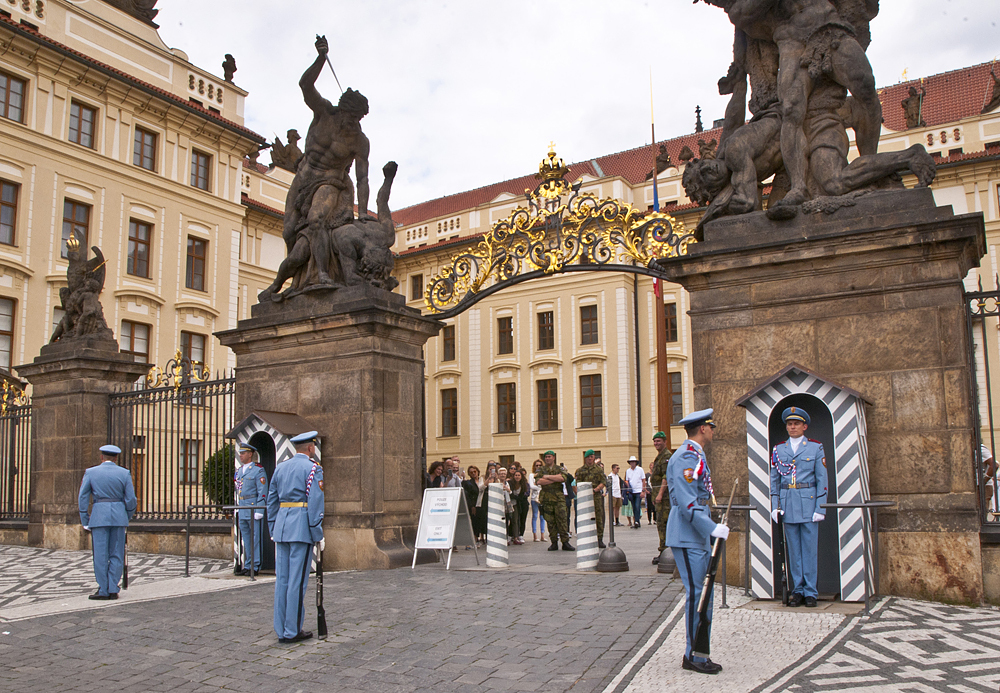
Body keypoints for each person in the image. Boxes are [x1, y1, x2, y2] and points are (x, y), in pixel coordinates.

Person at [262, 35, 372, 297]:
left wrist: (364, 213)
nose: (353, 121)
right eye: (350, 115)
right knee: (289, 232)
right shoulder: (323, 113)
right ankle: (298, 278)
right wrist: (321, 57)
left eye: (358, 118)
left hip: (331, 182)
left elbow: (363, 178)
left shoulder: (359, 140)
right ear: (341, 109)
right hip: (303, 179)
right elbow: (305, 84)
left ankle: (322, 274)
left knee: (316, 219)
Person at [666, 408, 728, 675]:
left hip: (695, 533)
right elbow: (688, 503)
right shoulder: (685, 458)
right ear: (702, 428)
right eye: (711, 427)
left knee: (704, 596)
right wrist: (712, 528)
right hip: (688, 533)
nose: (713, 431)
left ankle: (698, 654)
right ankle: (694, 656)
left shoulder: (696, 455)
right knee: (698, 596)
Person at [267, 430, 325, 644]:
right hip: (301, 528)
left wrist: (273, 527)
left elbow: (271, 501)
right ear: (310, 448)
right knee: (297, 581)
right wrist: (317, 532)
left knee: (282, 579)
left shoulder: (280, 468)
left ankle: (281, 628)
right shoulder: (313, 469)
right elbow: (315, 503)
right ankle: (292, 630)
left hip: (282, 527)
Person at [770, 406, 828, 608]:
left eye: (796, 424)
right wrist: (775, 505)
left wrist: (820, 507)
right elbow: (774, 480)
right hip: (788, 504)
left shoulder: (815, 448)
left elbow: (822, 479)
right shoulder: (779, 450)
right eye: (789, 424)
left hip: (809, 502)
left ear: (804, 426)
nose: (792, 427)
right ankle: (798, 591)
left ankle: (811, 591)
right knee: (793, 551)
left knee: (810, 551)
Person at [78, 444, 137, 600]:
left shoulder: (91, 472)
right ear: (116, 458)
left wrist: (85, 518)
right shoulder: (124, 473)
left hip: (99, 517)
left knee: (100, 554)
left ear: (101, 457)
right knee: (117, 553)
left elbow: (83, 497)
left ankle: (103, 589)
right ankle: (113, 588)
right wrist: (127, 514)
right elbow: (131, 499)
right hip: (119, 516)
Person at [235, 442, 268, 576]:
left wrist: (260, 510)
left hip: (253, 507)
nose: (241, 455)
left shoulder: (258, 470)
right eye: (240, 453)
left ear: (250, 454)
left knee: (255, 539)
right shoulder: (239, 471)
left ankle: (255, 566)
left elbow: (262, 490)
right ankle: (247, 564)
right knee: (246, 539)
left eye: (243, 453)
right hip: (242, 507)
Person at [535, 451, 574, 551]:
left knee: (562, 520)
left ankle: (565, 542)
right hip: (546, 498)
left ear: (553, 457)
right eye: (546, 457)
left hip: (559, 498)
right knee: (550, 521)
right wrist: (554, 479)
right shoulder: (541, 469)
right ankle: (554, 542)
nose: (547, 458)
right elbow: (538, 481)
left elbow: (563, 478)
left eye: (549, 457)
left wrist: (547, 477)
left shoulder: (559, 468)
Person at [574, 449, 607, 548]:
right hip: (584, 497)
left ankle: (599, 539)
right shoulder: (580, 470)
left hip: (596, 496)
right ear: (585, 458)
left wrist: (596, 489)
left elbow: (603, 482)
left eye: (591, 457)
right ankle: (586, 538)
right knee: (585, 517)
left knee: (598, 517)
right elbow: (577, 483)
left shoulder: (598, 470)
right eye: (588, 457)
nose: (590, 459)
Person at [649, 431, 672, 564]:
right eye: (655, 441)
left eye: (659, 441)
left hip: (665, 498)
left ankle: (665, 551)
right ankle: (664, 549)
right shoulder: (660, 456)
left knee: (664, 524)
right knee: (660, 523)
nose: (656, 443)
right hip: (659, 497)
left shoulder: (666, 457)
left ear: (665, 442)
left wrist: (660, 494)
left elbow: (666, 477)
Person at [463, 465, 486, 543]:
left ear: (477, 471)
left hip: (483, 503)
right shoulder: (468, 483)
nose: (473, 473)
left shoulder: (482, 480)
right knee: (475, 521)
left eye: (474, 471)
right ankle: (475, 538)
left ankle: (483, 537)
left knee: (483, 520)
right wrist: (472, 506)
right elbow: (468, 495)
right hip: (474, 504)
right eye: (471, 472)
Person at [509, 468, 530, 545]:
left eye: (519, 475)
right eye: (516, 475)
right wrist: (514, 495)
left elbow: (523, 496)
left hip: (521, 504)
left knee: (520, 520)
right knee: (512, 520)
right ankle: (510, 535)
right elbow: (510, 494)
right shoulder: (510, 483)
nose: (517, 476)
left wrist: (514, 495)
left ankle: (519, 535)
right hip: (511, 503)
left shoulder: (524, 485)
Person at [625, 456, 646, 528]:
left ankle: (637, 521)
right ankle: (636, 521)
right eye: (631, 462)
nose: (632, 463)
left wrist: (643, 491)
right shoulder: (628, 471)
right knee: (634, 507)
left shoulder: (640, 470)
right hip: (631, 491)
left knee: (637, 506)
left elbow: (643, 480)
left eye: (633, 462)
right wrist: (627, 487)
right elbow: (627, 480)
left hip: (638, 491)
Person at [529, 459, 547, 541]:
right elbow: (532, 486)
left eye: (540, 465)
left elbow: (546, 484)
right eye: (537, 465)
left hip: (543, 497)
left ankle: (542, 535)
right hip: (534, 498)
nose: (538, 467)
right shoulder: (532, 475)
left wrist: (538, 485)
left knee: (542, 517)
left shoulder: (544, 475)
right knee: (535, 516)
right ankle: (535, 535)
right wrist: (540, 486)